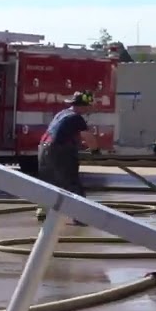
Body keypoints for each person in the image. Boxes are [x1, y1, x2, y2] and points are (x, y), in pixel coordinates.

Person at [35, 91, 96, 225]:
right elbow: (88, 137)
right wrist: (95, 150)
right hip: (60, 151)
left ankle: (43, 212)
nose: (89, 109)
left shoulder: (62, 114)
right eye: (88, 106)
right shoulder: (76, 118)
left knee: (48, 182)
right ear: (82, 106)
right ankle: (81, 216)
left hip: (44, 149)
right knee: (72, 183)